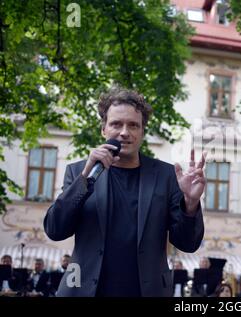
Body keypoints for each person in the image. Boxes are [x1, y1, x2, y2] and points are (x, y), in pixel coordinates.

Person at [44, 87, 206, 297]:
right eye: (116, 124)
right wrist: (84, 178)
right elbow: (55, 229)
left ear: (142, 132)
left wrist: (191, 203)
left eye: (133, 125)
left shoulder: (167, 176)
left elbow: (188, 243)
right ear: (104, 129)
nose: (124, 132)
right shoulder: (79, 172)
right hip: (85, 290)